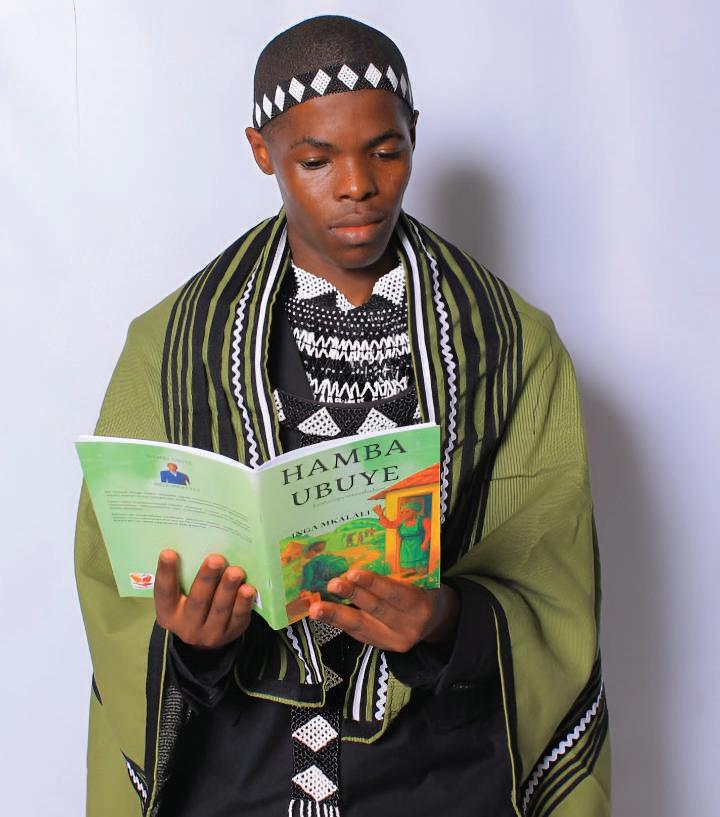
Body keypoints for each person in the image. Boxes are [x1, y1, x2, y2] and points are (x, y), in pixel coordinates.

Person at [74, 14, 610, 817]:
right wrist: (191, 639)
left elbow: (553, 586)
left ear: (414, 134)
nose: (357, 184)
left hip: (441, 781)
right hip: (238, 784)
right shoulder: (171, 345)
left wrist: (443, 616)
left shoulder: (509, 343)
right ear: (263, 152)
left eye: (385, 151)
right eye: (316, 160)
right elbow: (117, 593)